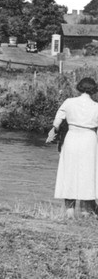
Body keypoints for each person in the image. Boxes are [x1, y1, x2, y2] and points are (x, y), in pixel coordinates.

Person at [46, 77, 98, 219]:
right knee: (88, 175)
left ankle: (69, 213)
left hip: (72, 137)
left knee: (69, 172)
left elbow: (57, 121)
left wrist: (54, 131)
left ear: (79, 88)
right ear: (93, 90)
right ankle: (86, 212)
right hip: (89, 139)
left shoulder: (69, 102)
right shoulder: (96, 106)